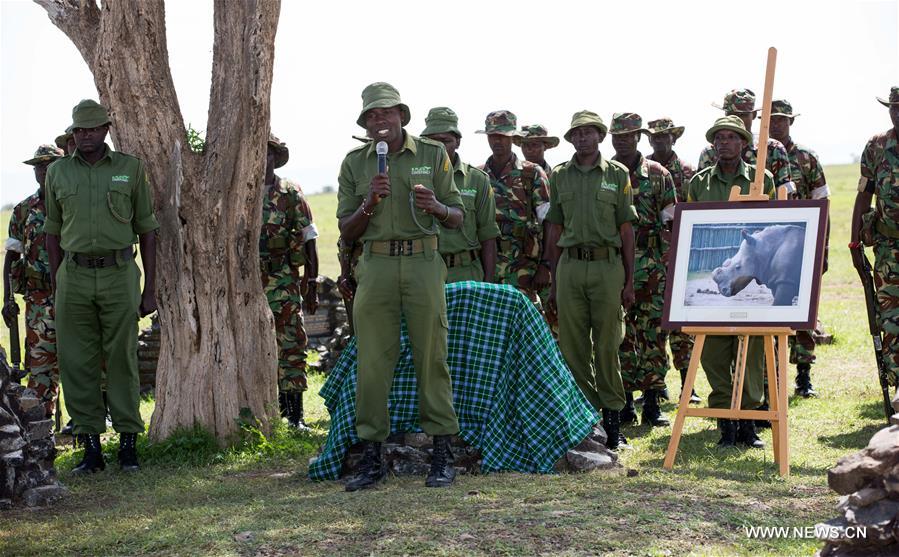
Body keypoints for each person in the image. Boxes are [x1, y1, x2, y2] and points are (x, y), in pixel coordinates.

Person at [337, 82, 463, 490]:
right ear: (365, 122)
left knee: (432, 357)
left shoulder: (431, 154)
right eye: (372, 115)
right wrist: (368, 203)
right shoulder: (356, 163)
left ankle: (443, 455)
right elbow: (346, 229)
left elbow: (458, 215)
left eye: (387, 112)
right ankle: (371, 458)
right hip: (376, 265)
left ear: (402, 116)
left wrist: (437, 207)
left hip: (424, 261)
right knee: (373, 362)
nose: (380, 121)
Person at [45, 99, 159, 473]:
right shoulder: (58, 173)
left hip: (119, 272)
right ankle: (91, 448)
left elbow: (147, 229)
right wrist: (58, 285)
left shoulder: (130, 168)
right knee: (78, 362)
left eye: (92, 129)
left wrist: (150, 288)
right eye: (79, 130)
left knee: (123, 358)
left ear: (106, 130)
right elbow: (52, 232)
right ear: (72, 134)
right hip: (74, 276)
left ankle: (128, 445)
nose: (86, 135)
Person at [544, 110, 636, 450]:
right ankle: (587, 422)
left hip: (606, 266)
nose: (582, 138)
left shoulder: (617, 174)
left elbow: (626, 229)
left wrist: (627, 281)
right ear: (570, 139)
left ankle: (613, 421)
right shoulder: (559, 176)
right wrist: (554, 281)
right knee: (572, 348)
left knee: (609, 346)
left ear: (600, 136)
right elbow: (553, 228)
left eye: (589, 132)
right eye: (576, 134)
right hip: (570, 266)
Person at [686, 115, 774, 449]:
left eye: (731, 137)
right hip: (710, 280)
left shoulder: (760, 179)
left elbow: (772, 228)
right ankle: (726, 421)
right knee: (712, 351)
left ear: (743, 143)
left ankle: (749, 422)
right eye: (718, 138)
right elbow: (690, 230)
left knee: (751, 350)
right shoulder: (699, 184)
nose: (724, 143)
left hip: (750, 279)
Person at [609, 113, 676, 428]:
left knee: (652, 336)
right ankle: (622, 403)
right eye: (617, 136)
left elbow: (671, 223)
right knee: (618, 336)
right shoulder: (605, 174)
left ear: (639, 137)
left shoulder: (659, 174)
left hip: (651, 265)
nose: (622, 141)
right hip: (613, 266)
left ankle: (652, 402)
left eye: (628, 135)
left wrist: (664, 265)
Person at [768, 99, 829, 397]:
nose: (777, 124)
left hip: (804, 246)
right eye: (772, 119)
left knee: (803, 311)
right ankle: (773, 375)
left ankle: (804, 376)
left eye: (782, 119)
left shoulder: (807, 157)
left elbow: (822, 203)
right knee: (773, 309)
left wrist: (823, 249)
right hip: (774, 249)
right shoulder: (759, 155)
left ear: (791, 122)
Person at [259, 134, 319, 430]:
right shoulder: (236, 192)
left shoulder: (290, 192)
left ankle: (293, 416)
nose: (262, 159)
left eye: (268, 153)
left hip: (282, 281)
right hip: (244, 285)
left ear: (275, 157)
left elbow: (309, 238)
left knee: (291, 345)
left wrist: (312, 281)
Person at [3, 145, 65, 420]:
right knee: (40, 365)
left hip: (74, 293)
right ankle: (42, 427)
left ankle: (85, 424)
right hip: (38, 298)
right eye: (38, 166)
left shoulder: (72, 203)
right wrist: (7, 298)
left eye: (49, 164)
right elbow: (11, 256)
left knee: (80, 361)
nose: (43, 171)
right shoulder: (23, 210)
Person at [646, 117, 700, 404]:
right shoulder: (644, 171)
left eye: (665, 136)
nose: (660, 140)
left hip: (684, 256)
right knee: (653, 324)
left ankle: (687, 385)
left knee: (683, 326)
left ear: (674, 139)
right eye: (655, 137)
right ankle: (656, 384)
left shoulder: (689, 172)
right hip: (652, 258)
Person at [477, 111, 551, 314]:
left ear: (513, 138)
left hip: (523, 266)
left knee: (524, 323)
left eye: (503, 136)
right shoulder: (479, 175)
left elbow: (549, 223)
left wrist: (546, 265)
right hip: (487, 263)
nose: (497, 141)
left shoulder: (532, 173)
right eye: (493, 136)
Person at [851, 86, 899, 387]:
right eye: (894, 107)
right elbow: (863, 197)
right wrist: (855, 244)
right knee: (891, 319)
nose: (898, 113)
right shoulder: (877, 146)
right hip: (887, 251)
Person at [421, 107, 499, 283]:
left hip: (465, 273)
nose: (439, 147)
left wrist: (487, 285)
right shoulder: (413, 177)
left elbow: (488, 235)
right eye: (432, 141)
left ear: (457, 142)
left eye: (445, 141)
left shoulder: (476, 179)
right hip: (424, 272)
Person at [697, 89, 794, 195]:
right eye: (732, 114)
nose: (737, 119)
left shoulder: (773, 149)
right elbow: (700, 192)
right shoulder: (710, 153)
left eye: (743, 115)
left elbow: (785, 195)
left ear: (753, 115)